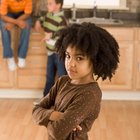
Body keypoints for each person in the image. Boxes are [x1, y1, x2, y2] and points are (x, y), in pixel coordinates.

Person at [32, 23, 120, 140]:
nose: (70, 63)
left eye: (79, 58)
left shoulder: (90, 94)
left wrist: (46, 116)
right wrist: (57, 115)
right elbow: (36, 111)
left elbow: (57, 132)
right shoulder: (62, 81)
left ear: (95, 61)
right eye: (68, 56)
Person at [34, 0, 67, 98]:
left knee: (62, 78)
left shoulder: (62, 19)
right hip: (50, 52)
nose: (47, 5)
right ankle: (46, 100)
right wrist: (38, 21)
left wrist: (51, 35)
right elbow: (43, 18)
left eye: (50, 4)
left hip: (59, 53)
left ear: (58, 5)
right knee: (49, 77)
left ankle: (63, 101)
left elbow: (63, 32)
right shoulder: (49, 14)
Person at [0, 0, 32, 71]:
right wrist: (16, 22)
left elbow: (27, 14)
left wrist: (13, 23)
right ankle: (9, 57)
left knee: (27, 25)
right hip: (9, 14)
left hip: (22, 14)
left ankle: (22, 56)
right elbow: (2, 16)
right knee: (3, 26)